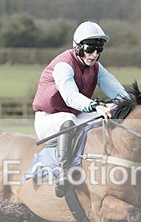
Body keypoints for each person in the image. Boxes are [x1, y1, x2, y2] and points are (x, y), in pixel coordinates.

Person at [32, 21, 129, 197]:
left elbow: (118, 92)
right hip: (48, 119)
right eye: (90, 49)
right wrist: (95, 105)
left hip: (75, 116)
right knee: (67, 120)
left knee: (110, 113)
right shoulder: (63, 65)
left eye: (99, 50)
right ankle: (63, 174)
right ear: (77, 47)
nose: (94, 55)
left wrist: (132, 105)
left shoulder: (96, 67)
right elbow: (70, 96)